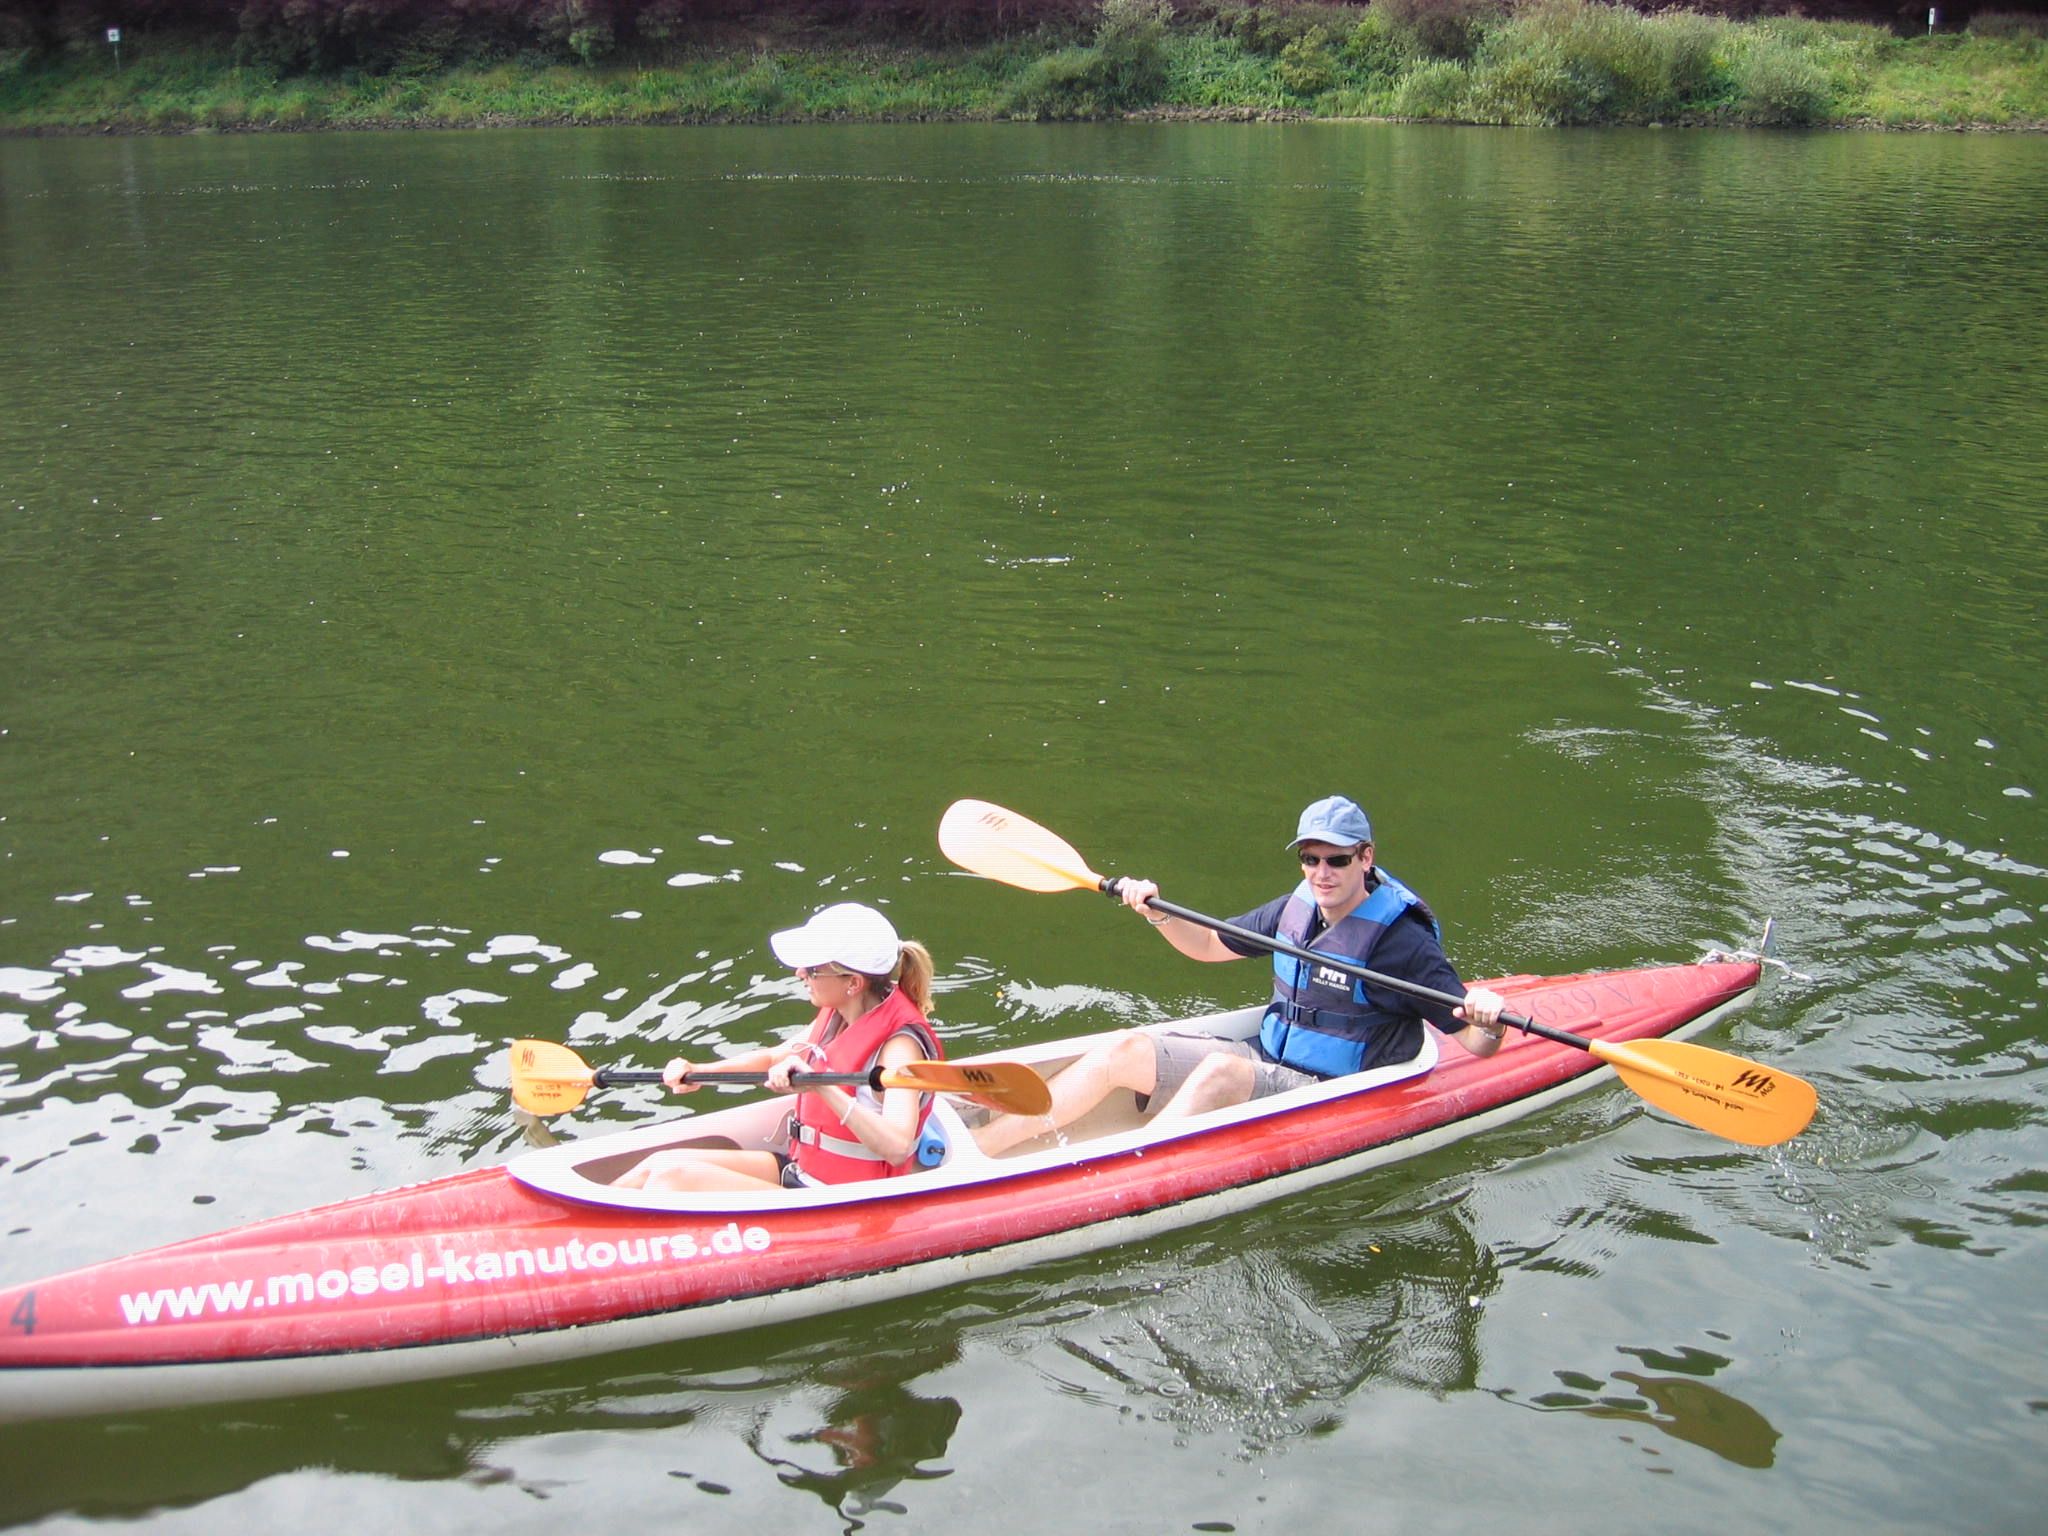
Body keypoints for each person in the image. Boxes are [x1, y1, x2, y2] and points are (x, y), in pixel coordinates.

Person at [975, 796, 1507, 1157]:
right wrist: (1156, 913)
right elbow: (1208, 946)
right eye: (1310, 859)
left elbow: (1475, 1043)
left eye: (1337, 860)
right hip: (1269, 1056)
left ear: (1366, 858)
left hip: (1332, 1091)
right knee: (1125, 1048)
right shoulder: (1296, 908)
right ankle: (982, 1150)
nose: (1321, 873)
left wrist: (1490, 1020)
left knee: (1220, 1072)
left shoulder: (1403, 944)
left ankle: (1125, 1172)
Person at [614, 902, 942, 1192]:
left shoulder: (899, 1049)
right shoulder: (841, 1015)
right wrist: (700, 1071)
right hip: (802, 1169)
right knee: (657, 1164)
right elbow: (773, 1057)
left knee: (671, 1178)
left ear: (853, 983)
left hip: (841, 1198)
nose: (800, 973)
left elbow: (898, 1147)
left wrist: (819, 1085)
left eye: (813, 969)